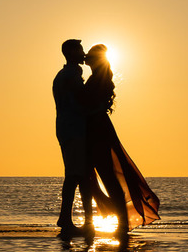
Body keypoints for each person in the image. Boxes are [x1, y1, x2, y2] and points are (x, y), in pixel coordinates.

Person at [84, 43, 160, 238]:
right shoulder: (98, 78)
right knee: (98, 174)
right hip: (96, 128)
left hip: (98, 129)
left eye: (89, 59)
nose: (86, 61)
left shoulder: (100, 80)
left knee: (108, 175)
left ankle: (122, 222)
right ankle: (116, 219)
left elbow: (95, 106)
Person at [52, 38, 94, 235]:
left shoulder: (63, 74)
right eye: (80, 50)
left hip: (67, 128)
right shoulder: (71, 74)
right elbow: (82, 99)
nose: (83, 52)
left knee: (80, 174)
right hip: (74, 128)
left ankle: (87, 221)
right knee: (75, 175)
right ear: (71, 52)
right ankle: (66, 219)